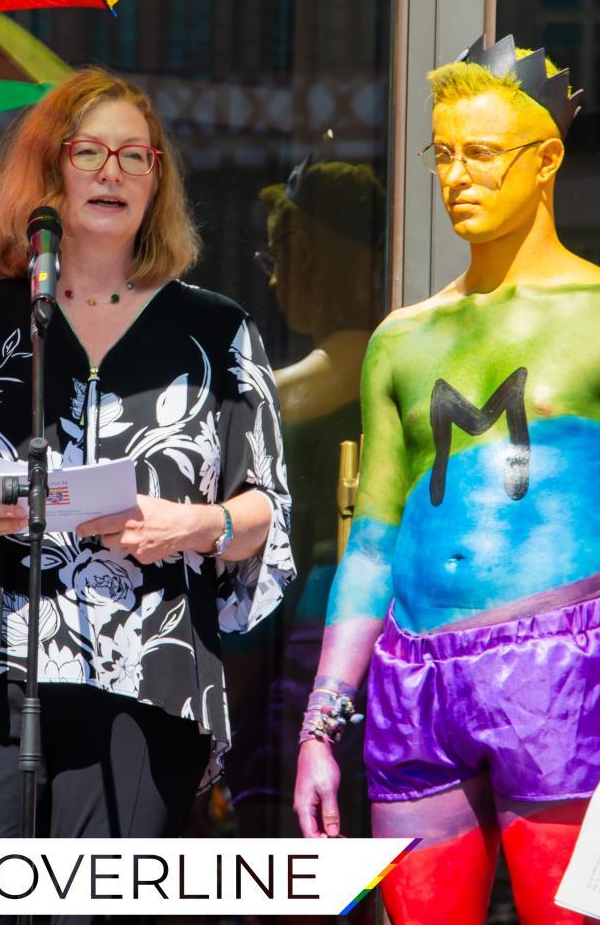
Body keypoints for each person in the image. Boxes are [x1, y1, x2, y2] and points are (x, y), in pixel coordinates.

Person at [294, 36, 600, 924]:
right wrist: (320, 725)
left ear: (546, 161)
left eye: (483, 154)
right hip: (412, 671)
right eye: (444, 154)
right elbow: (371, 545)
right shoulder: (401, 339)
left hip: (556, 658)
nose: (458, 176)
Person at [0, 68, 294, 917]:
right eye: (89, 152)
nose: (112, 172)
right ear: (50, 172)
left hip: (146, 676)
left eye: (135, 157)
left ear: (157, 182)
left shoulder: (216, 330)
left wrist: (195, 523)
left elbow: (266, 512)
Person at [224, 160, 384, 835]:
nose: (272, 274)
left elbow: (258, 407)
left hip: (316, 632)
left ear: (307, 251)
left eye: (275, 252)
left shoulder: (358, 355)